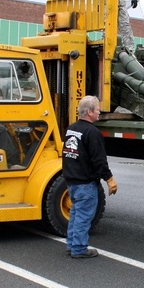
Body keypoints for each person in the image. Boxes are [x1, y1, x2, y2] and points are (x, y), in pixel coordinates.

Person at [62, 96, 118, 258]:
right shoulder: (92, 133)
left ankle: (71, 244)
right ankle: (79, 249)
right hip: (85, 182)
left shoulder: (71, 129)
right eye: (97, 109)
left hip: (72, 180)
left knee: (76, 213)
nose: (100, 112)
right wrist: (109, 179)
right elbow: (99, 160)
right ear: (89, 112)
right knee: (84, 216)